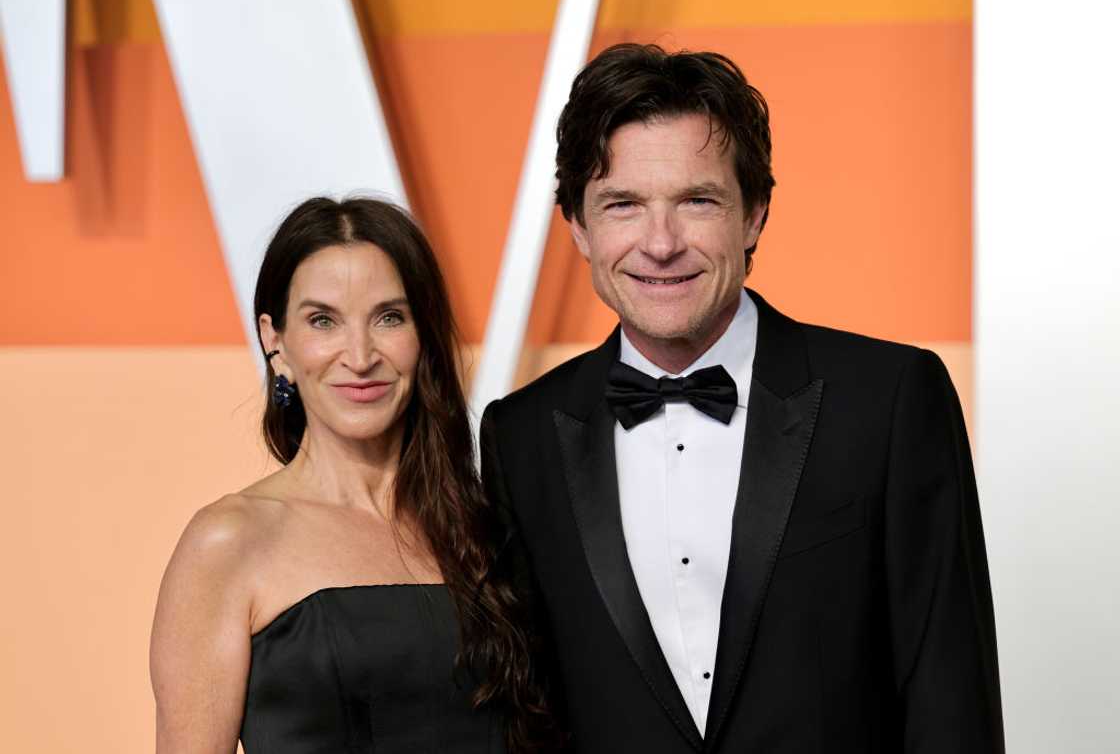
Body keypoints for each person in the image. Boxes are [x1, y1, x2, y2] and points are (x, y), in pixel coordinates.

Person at [481, 44, 1004, 753]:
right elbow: (530, 717)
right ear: (578, 225)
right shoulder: (520, 437)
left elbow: (951, 700)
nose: (660, 243)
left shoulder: (889, 400)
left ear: (754, 213)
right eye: (623, 204)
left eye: (697, 201)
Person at [151, 197, 552, 753]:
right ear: (276, 342)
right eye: (323, 321)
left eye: (389, 317)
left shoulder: (484, 529)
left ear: (422, 335)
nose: (360, 355)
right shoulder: (228, 542)